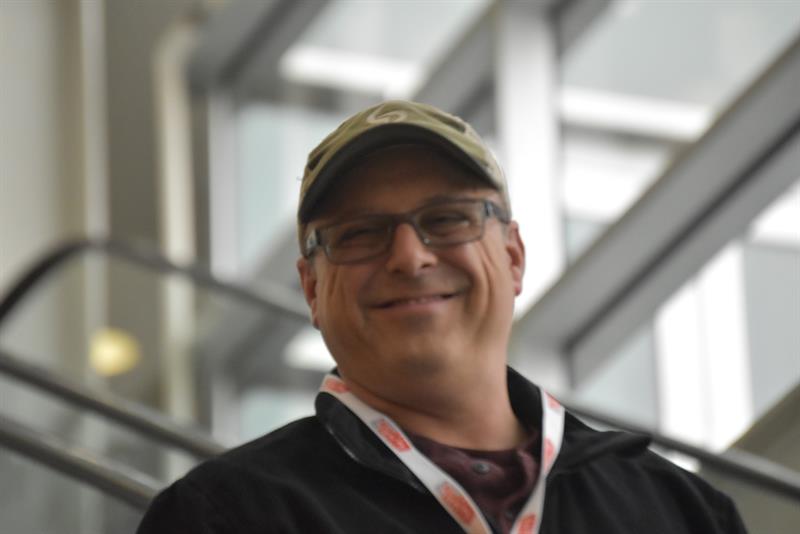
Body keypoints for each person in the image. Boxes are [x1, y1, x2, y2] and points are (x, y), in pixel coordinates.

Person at [137, 100, 747, 534]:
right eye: (359, 233)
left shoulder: (679, 511)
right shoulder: (228, 517)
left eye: (448, 219)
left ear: (513, 257)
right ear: (312, 289)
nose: (409, 257)